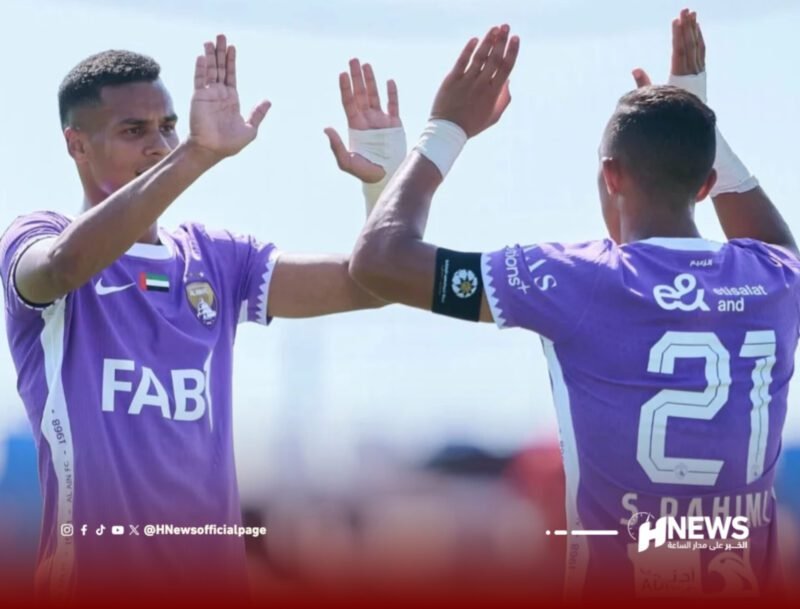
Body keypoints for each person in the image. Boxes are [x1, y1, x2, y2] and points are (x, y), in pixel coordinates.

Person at [349, 12, 799, 600]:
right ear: (706, 185)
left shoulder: (578, 279)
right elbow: (779, 247)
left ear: (611, 176)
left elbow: (378, 259)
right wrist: (695, 117)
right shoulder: (772, 280)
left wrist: (447, 129)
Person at [0, 34, 407, 605]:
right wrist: (197, 153)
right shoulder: (37, 238)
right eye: (133, 131)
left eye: (168, 126)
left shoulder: (215, 258)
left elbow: (374, 286)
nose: (160, 144)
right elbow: (65, 265)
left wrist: (387, 188)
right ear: (77, 146)